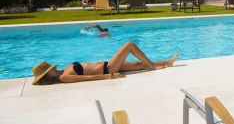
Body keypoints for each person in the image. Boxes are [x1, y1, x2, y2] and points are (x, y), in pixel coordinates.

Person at [32, 41, 178, 85]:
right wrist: (111, 76)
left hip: (107, 65)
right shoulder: (63, 77)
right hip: (108, 69)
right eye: (48, 69)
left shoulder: (64, 71)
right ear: (48, 74)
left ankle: (167, 62)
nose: (52, 67)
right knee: (130, 45)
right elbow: (88, 78)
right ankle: (153, 66)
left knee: (140, 65)